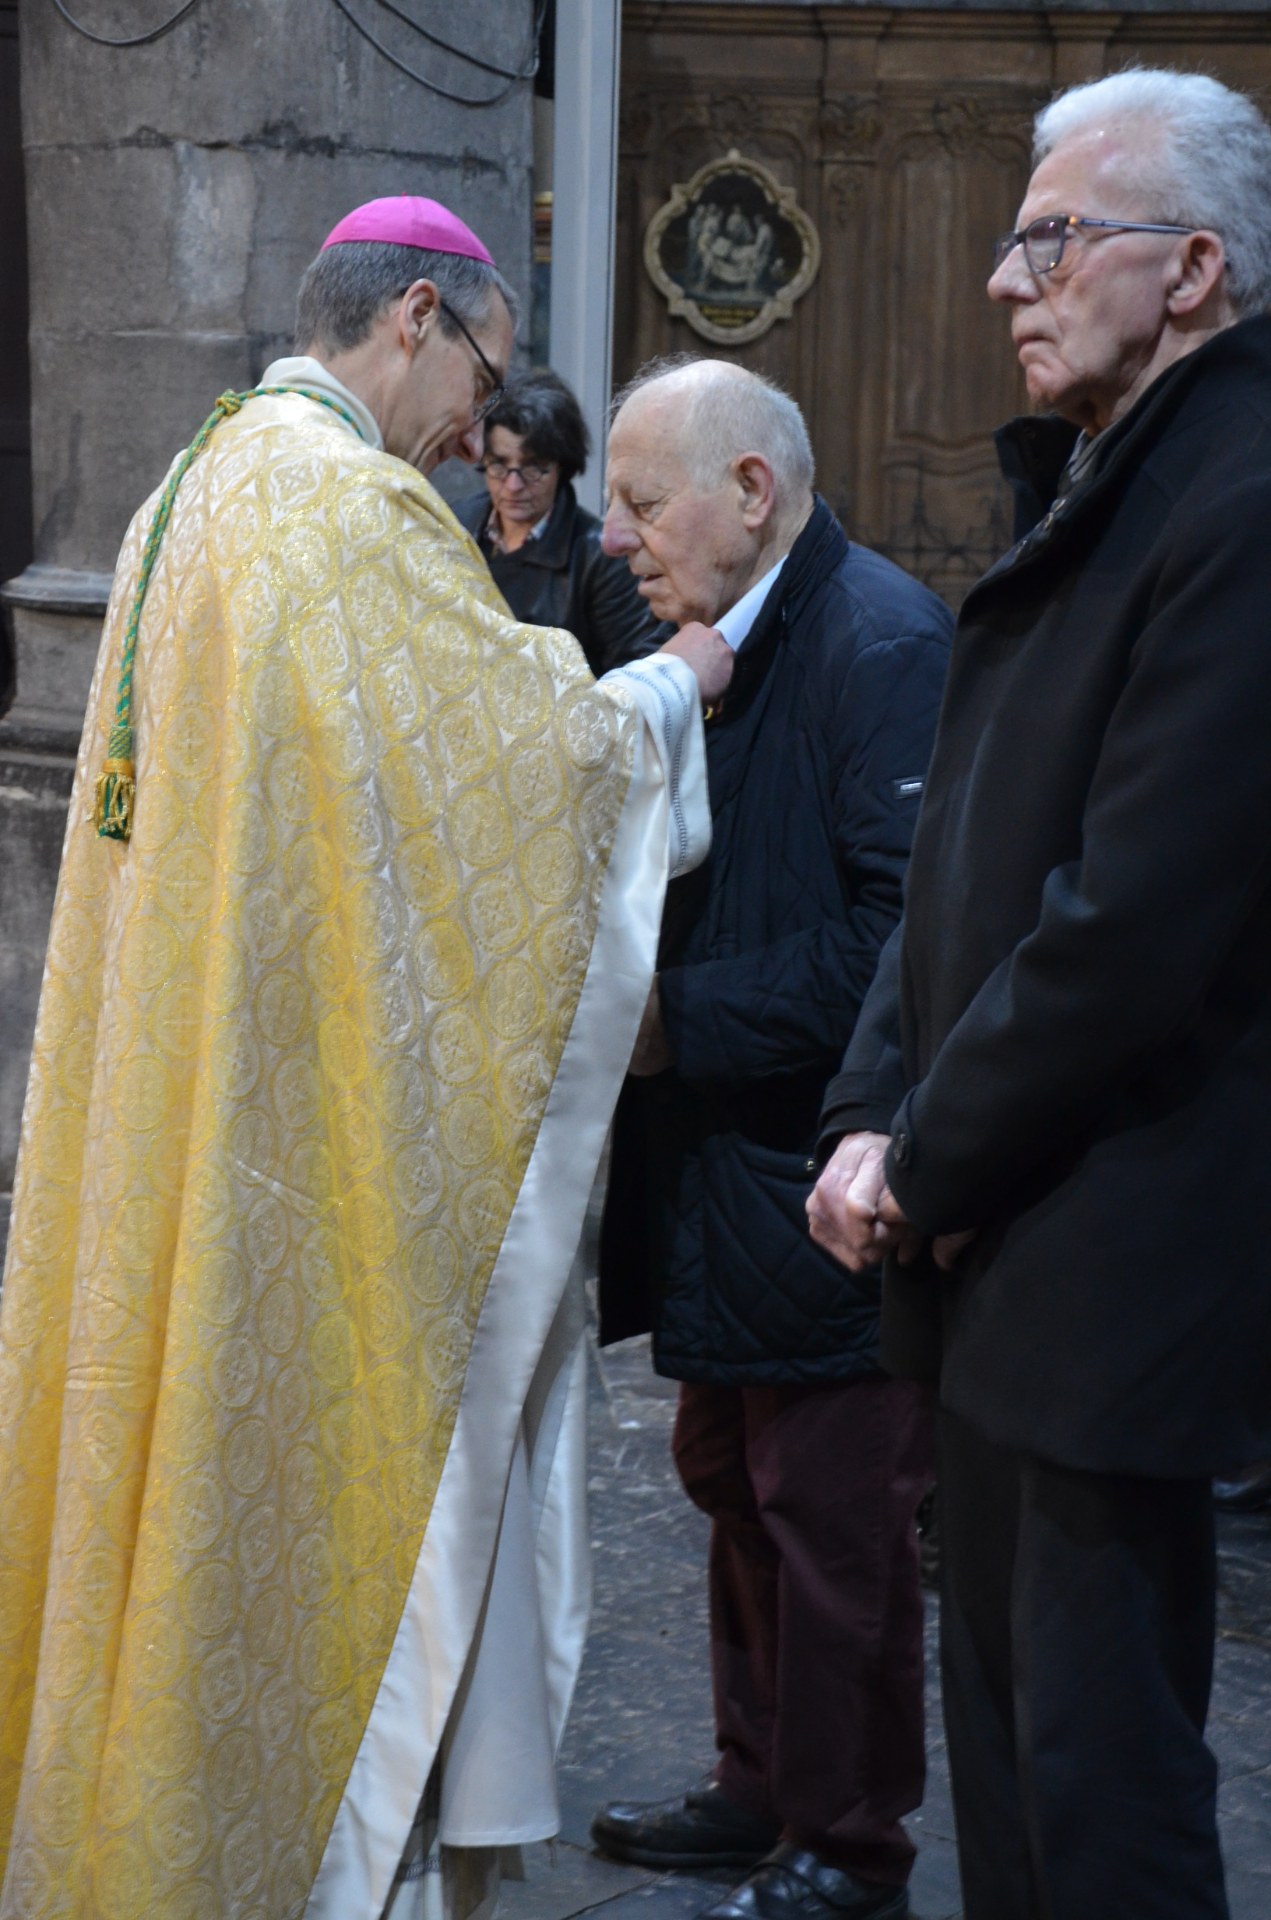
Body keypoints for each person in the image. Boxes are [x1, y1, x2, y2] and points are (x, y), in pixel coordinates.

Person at [0, 196, 734, 1920]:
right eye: (480, 375)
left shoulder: (199, 481)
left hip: (200, 1070)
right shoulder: (340, 507)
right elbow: (522, 771)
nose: (482, 431)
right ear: (413, 315)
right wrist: (671, 692)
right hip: (295, 1155)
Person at [808, 68, 1271, 1920]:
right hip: (1021, 1238)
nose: (1008, 278)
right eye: (1009, 236)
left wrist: (920, 1156)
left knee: (1096, 1792)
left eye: (1055, 237)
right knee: (1006, 1752)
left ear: (1196, 268)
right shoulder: (1110, 483)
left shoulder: (1236, 501)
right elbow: (959, 864)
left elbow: (1130, 922)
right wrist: (872, 1101)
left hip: (1114, 1248)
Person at [590, 358, 952, 1920]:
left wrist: (681, 1019)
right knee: (733, 1479)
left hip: (820, 1173)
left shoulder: (877, 639)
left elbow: (907, 939)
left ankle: (846, 1842)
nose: (611, 536)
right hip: (721, 1173)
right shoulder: (703, 631)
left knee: (835, 1522)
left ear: (750, 491)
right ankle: (757, 1790)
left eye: (636, 498)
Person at [454, 368, 661, 674]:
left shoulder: (600, 558)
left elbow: (633, 673)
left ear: (562, 467)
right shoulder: (455, 525)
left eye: (533, 468)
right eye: (499, 465)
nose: (513, 486)